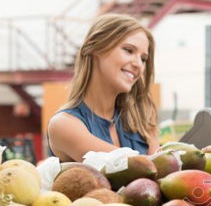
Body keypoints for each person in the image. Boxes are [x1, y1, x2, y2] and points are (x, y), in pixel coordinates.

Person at [47, 13, 159, 161]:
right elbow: (138, 167)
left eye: (143, 58)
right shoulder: (63, 125)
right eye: (128, 50)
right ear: (96, 47)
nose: (138, 64)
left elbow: (163, 174)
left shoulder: (142, 123)